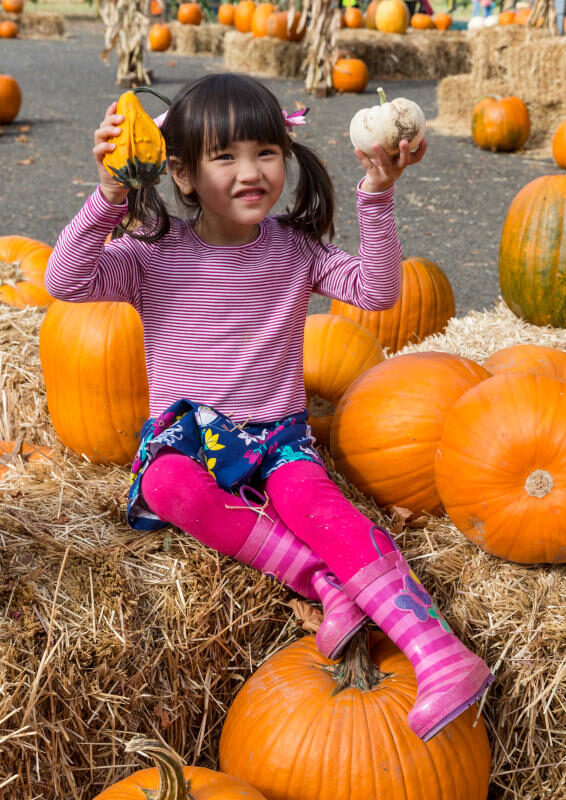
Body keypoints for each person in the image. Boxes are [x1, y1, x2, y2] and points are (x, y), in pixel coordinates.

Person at [44, 73, 493, 742]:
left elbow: (377, 292)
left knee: (318, 504)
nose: (251, 172)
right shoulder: (150, 254)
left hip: (277, 439)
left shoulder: (295, 249)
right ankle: (323, 584)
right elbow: (65, 280)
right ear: (184, 175)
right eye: (225, 157)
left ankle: (437, 650)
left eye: (267, 152)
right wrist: (111, 193)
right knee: (166, 485)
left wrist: (377, 194)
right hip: (190, 440)